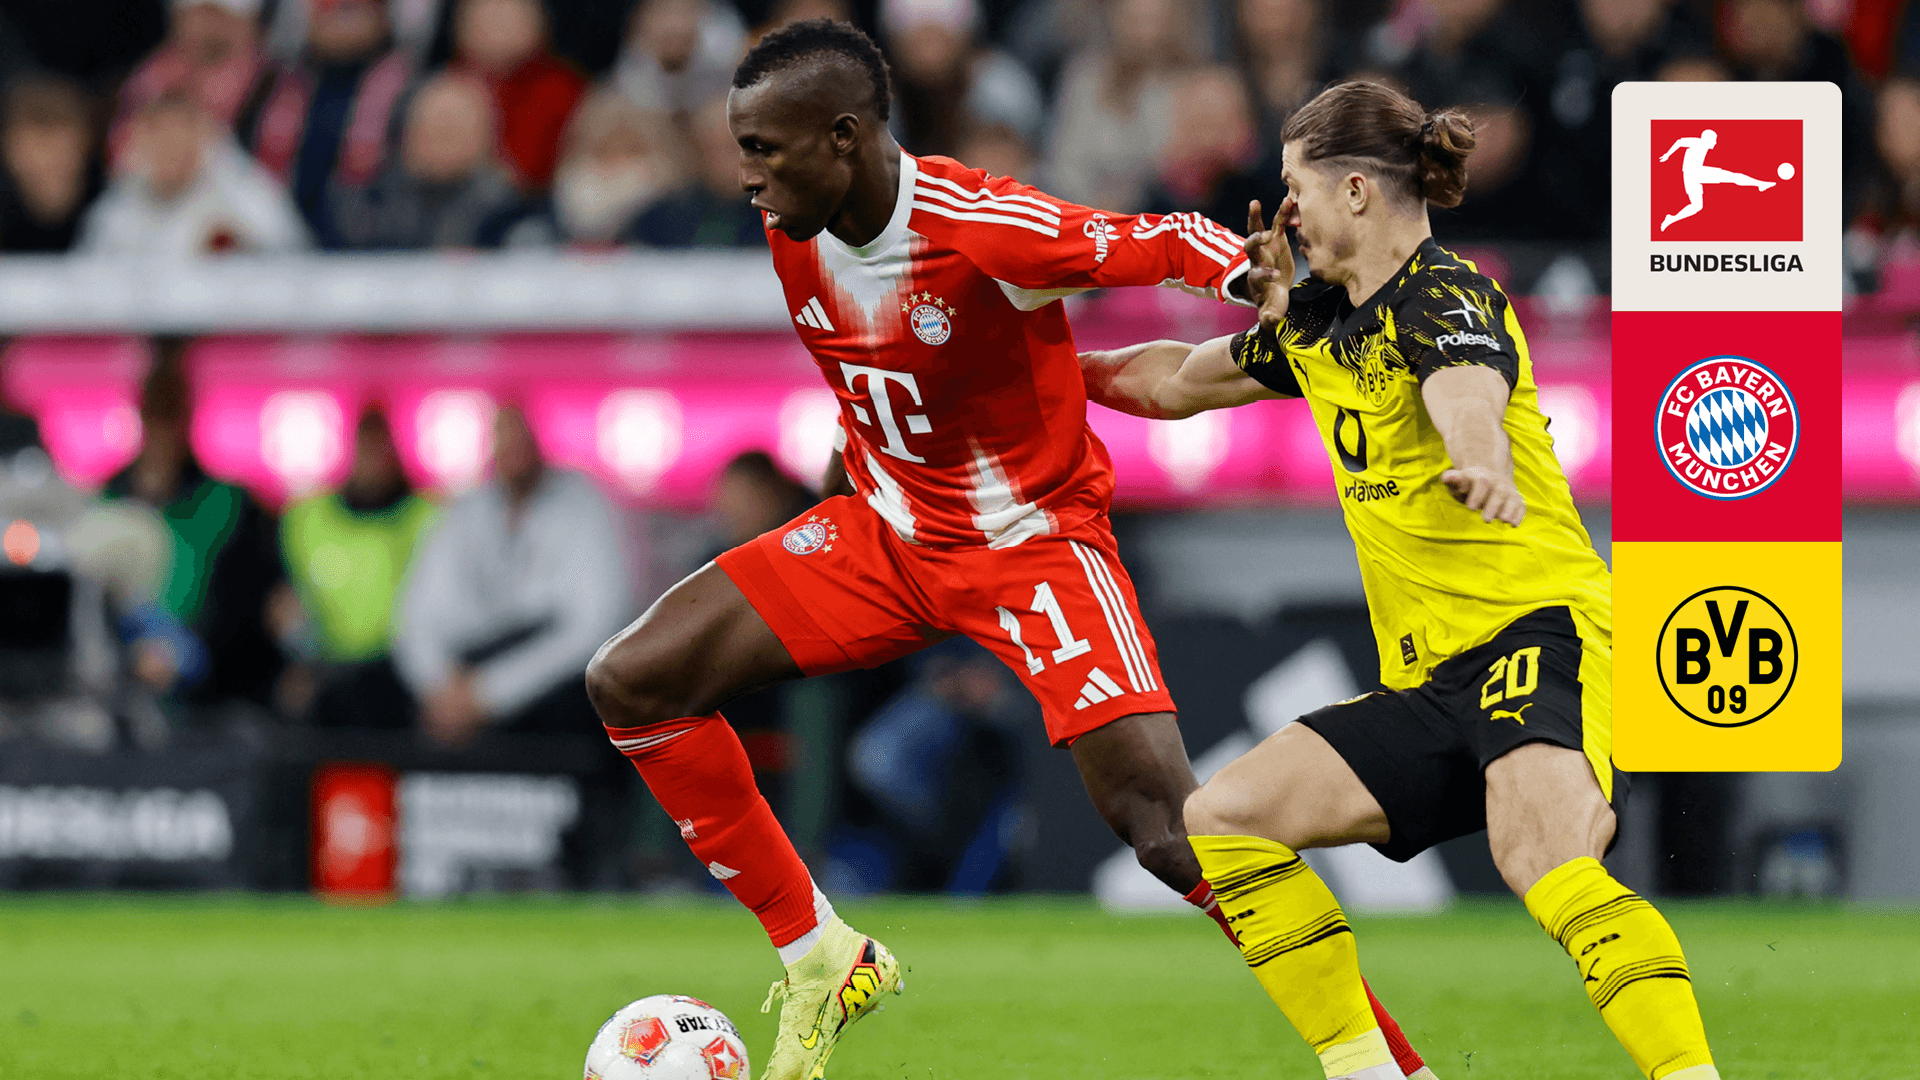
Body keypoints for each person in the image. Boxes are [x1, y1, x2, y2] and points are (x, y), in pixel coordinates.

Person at [583, 21, 1431, 1080]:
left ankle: (1388, 1069)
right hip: (886, 535)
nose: (745, 176)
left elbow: (1153, 236)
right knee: (635, 680)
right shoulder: (794, 222)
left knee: (1173, 830)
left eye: (762, 149)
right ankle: (821, 957)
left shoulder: (981, 225)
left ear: (843, 137)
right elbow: (877, 378)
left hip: (1033, 547)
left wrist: (1252, 274)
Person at [1077, 80, 1718, 1080]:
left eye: (1297, 187)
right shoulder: (1317, 322)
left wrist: (1480, 459)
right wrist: (1038, 373)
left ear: (1357, 191)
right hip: (1429, 683)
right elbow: (1172, 380)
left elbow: (1466, 390)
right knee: (1224, 818)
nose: (1286, 214)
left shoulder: (1445, 295)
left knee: (1543, 861)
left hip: (1538, 637)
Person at [394, 402, 631, 747]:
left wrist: (491, 692)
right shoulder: (465, 510)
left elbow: (594, 629)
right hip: (464, 675)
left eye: (520, 439)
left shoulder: (586, 507)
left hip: (550, 686)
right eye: (502, 440)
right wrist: (440, 686)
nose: (511, 452)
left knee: (578, 708)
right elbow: (417, 617)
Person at [280, 406, 438, 730]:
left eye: (379, 447)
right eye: (364, 446)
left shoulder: (430, 518)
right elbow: (283, 604)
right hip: (326, 669)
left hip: (406, 671)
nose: (371, 459)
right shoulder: (306, 519)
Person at [243, 0, 417, 247]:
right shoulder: (274, 82)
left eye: (352, 9)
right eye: (329, 8)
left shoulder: (410, 88)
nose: (339, 18)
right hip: (280, 240)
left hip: (371, 248)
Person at [79, 89, 310, 257]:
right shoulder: (117, 210)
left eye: (180, 132)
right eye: (159, 134)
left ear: (204, 135)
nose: (171, 146)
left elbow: (292, 263)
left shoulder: (249, 197)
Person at [332, 72, 521, 249]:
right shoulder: (366, 210)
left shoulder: (508, 219)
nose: (442, 136)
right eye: (433, 124)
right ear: (405, 132)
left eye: (453, 128)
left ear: (486, 138)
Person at [448, 0, 587, 191]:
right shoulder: (449, 82)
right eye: (483, 21)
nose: (494, 30)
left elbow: (527, 171)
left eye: (504, 21)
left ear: (536, 26)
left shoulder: (559, 89)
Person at [0, 72, 104, 253]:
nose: (49, 160)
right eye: (38, 146)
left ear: (86, 143)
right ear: (9, 150)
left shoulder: (117, 203)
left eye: (59, 147)